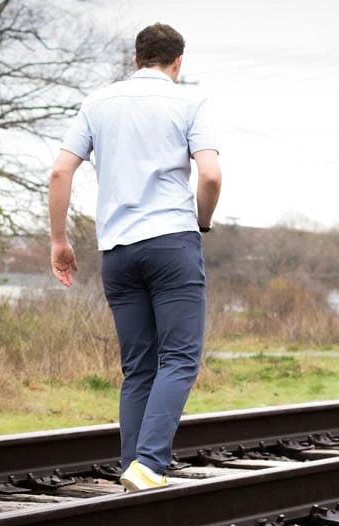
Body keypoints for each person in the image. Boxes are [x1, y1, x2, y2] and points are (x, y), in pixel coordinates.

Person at [47, 23, 222, 491]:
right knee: (180, 358)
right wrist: (201, 222)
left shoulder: (97, 103)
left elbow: (61, 170)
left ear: (135, 59)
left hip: (117, 251)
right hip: (171, 243)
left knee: (139, 365)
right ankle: (149, 463)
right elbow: (209, 176)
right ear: (178, 63)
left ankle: (134, 467)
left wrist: (59, 241)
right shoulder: (190, 102)